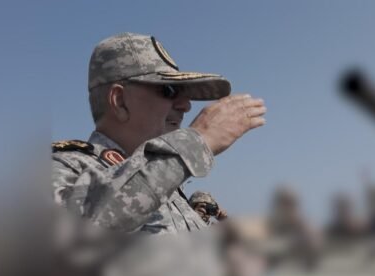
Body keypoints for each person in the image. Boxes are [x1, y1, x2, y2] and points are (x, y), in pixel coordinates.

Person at [52, 32, 266, 233]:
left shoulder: (166, 187)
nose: (185, 106)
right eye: (168, 90)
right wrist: (193, 143)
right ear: (120, 101)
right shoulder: (64, 168)